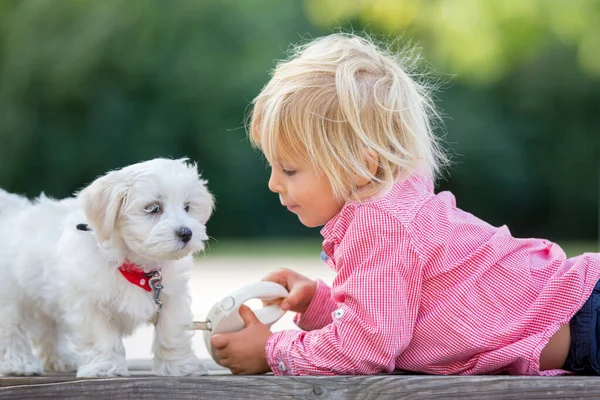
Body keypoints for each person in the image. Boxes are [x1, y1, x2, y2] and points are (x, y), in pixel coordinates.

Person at [210, 33, 600, 376]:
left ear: (363, 166)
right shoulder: (391, 208)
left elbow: (366, 347)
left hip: (587, 320)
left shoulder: (379, 222)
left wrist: (270, 352)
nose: (274, 183)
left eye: (290, 169)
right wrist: (317, 303)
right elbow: (394, 323)